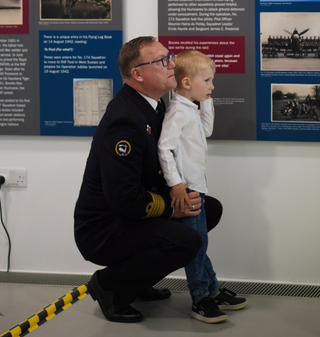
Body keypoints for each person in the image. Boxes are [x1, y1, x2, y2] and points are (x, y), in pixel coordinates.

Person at [73, 36, 224, 323]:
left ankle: (139, 280)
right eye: (162, 61)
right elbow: (124, 197)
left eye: (170, 56)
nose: (172, 64)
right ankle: (110, 286)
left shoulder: (153, 106)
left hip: (130, 216)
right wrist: (172, 209)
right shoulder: (125, 120)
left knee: (207, 209)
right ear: (138, 74)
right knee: (186, 239)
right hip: (106, 228)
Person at [157, 50, 247, 323]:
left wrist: (205, 100)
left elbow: (206, 130)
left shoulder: (189, 109)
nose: (213, 86)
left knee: (200, 243)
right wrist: (176, 184)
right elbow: (164, 148)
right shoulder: (177, 112)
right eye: (207, 81)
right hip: (188, 190)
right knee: (196, 246)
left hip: (197, 187)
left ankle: (212, 291)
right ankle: (200, 299)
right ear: (186, 82)